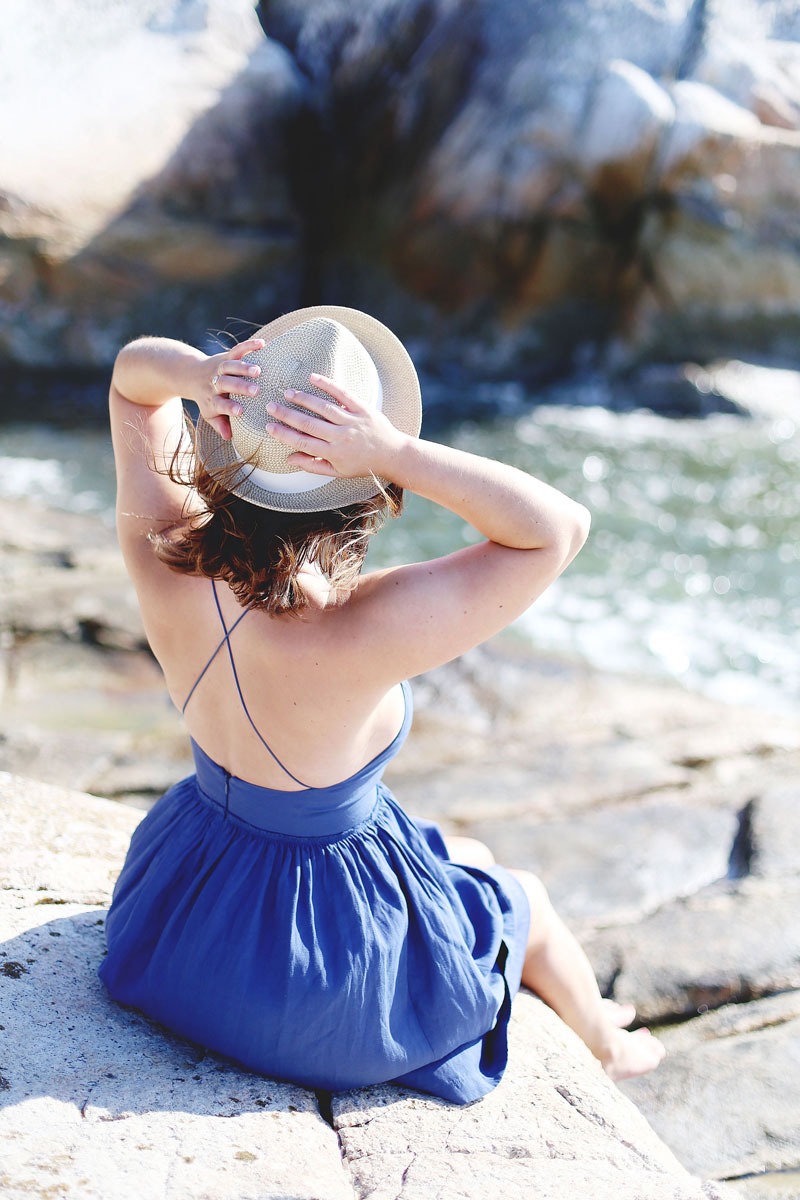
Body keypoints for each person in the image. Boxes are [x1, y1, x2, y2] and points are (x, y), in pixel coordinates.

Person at [99, 306, 664, 1102]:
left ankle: (601, 1029)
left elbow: (132, 385)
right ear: (360, 494)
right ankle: (604, 1043)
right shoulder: (359, 627)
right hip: (310, 988)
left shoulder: (160, 550)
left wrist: (197, 377)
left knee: (462, 853)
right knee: (522, 896)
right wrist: (396, 452)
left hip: (178, 928)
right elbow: (557, 529)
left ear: (229, 446)